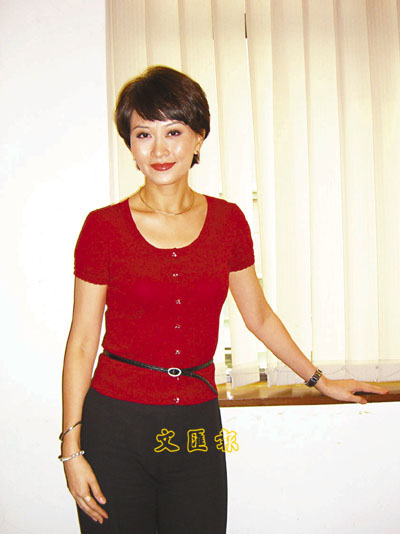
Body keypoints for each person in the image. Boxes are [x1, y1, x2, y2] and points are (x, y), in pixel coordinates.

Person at [60, 65, 387, 534]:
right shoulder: (103, 228)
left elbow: (259, 318)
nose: (159, 149)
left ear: (199, 137)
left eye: (174, 131)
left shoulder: (228, 222)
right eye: (143, 134)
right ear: (130, 145)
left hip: (195, 428)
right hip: (115, 427)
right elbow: (81, 342)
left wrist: (320, 381)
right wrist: (72, 450)